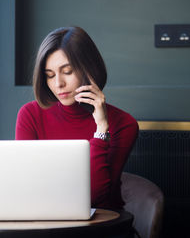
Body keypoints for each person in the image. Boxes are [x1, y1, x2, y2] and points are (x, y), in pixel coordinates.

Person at [15, 26, 139, 209]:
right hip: (45, 219)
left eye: (67, 72)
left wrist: (101, 129)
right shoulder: (30, 115)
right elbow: (24, 187)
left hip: (101, 226)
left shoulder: (124, 124)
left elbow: (94, 197)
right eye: (49, 76)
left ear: (89, 69)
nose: (58, 84)